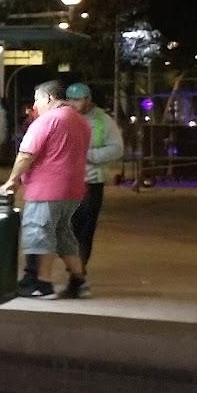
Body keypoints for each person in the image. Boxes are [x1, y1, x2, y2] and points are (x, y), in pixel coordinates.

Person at [0, 79, 90, 298]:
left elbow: (26, 154)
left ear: (49, 98)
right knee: (63, 234)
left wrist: (11, 180)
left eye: (37, 99)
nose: (35, 105)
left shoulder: (47, 120)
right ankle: (79, 281)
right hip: (73, 189)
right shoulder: (80, 121)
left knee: (40, 233)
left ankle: (43, 284)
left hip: (46, 189)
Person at [64, 82, 125, 270]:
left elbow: (117, 148)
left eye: (77, 100)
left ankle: (79, 267)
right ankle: (74, 265)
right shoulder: (65, 118)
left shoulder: (103, 121)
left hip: (92, 182)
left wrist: (90, 156)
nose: (73, 104)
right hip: (67, 182)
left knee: (86, 228)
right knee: (69, 226)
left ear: (88, 100)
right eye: (70, 100)